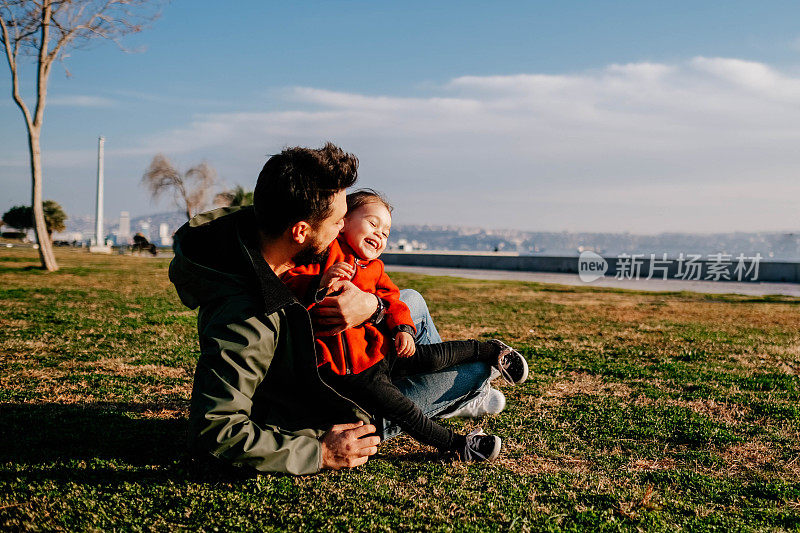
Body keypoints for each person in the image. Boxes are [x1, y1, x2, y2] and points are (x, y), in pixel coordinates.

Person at [169, 143, 511, 475]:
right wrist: (320, 451)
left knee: (411, 300)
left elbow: (370, 294)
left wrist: (372, 306)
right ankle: (452, 400)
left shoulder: (260, 225)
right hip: (336, 402)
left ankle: (429, 384)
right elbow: (213, 431)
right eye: (337, 223)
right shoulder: (244, 322)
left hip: (346, 356)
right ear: (301, 231)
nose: (342, 230)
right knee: (475, 372)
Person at [282, 189, 528, 461]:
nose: (379, 234)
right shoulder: (325, 253)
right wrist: (320, 283)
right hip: (354, 375)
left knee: (433, 357)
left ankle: (491, 350)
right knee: (404, 410)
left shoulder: (374, 267)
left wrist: (403, 329)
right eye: (372, 224)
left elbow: (394, 301)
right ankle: (459, 444)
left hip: (381, 350)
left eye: (386, 232)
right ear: (342, 222)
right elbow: (291, 283)